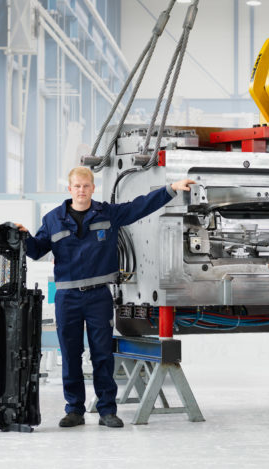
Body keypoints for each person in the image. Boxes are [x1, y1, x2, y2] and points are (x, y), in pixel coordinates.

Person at [16, 166, 195, 429]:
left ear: (92, 187)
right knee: (71, 354)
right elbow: (36, 250)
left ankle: (107, 410)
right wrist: (24, 237)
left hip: (99, 295)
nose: (81, 190)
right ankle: (74, 410)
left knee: (102, 354)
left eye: (86, 186)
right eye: (77, 186)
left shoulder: (106, 213)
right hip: (67, 297)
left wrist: (171, 189)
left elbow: (139, 206)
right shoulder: (53, 219)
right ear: (70, 189)